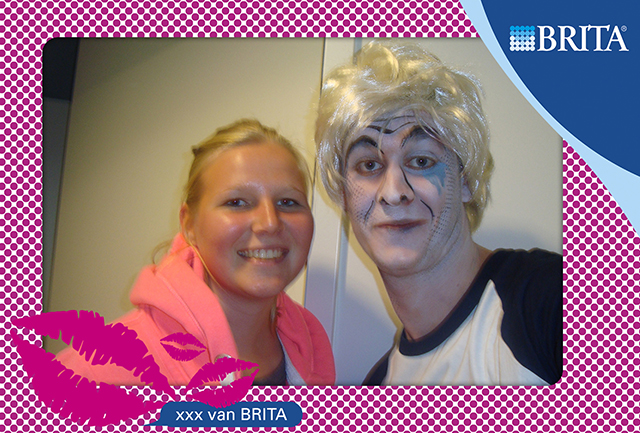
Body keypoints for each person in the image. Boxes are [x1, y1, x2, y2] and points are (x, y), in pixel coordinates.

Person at [315, 41, 562, 385]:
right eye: (368, 165)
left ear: (466, 180)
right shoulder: (379, 384)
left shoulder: (551, 301)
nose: (394, 192)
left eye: (421, 160)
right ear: (344, 194)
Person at [56, 119, 336, 386]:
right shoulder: (95, 372)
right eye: (237, 202)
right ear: (189, 225)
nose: (270, 223)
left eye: (288, 202)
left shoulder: (312, 350)